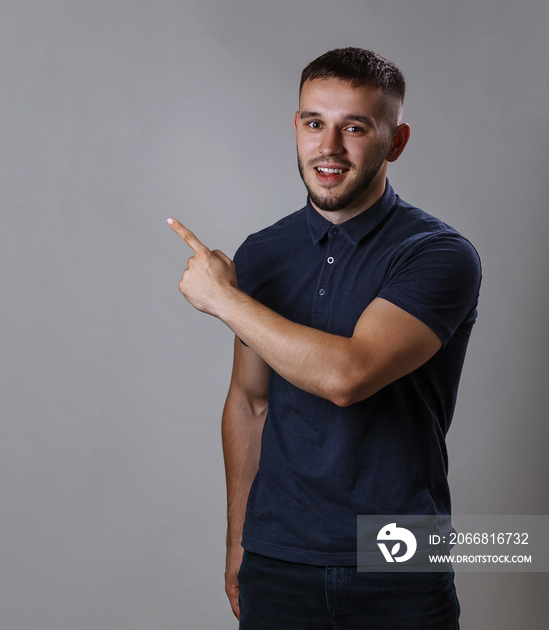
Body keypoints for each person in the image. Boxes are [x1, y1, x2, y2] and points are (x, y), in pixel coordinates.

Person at [167, 47, 481, 629]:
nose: (328, 147)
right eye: (314, 123)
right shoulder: (264, 252)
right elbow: (250, 402)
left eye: (354, 128)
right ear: (297, 127)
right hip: (277, 557)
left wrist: (225, 300)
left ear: (397, 141)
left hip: (399, 555)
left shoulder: (438, 254)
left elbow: (347, 376)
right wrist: (239, 536)